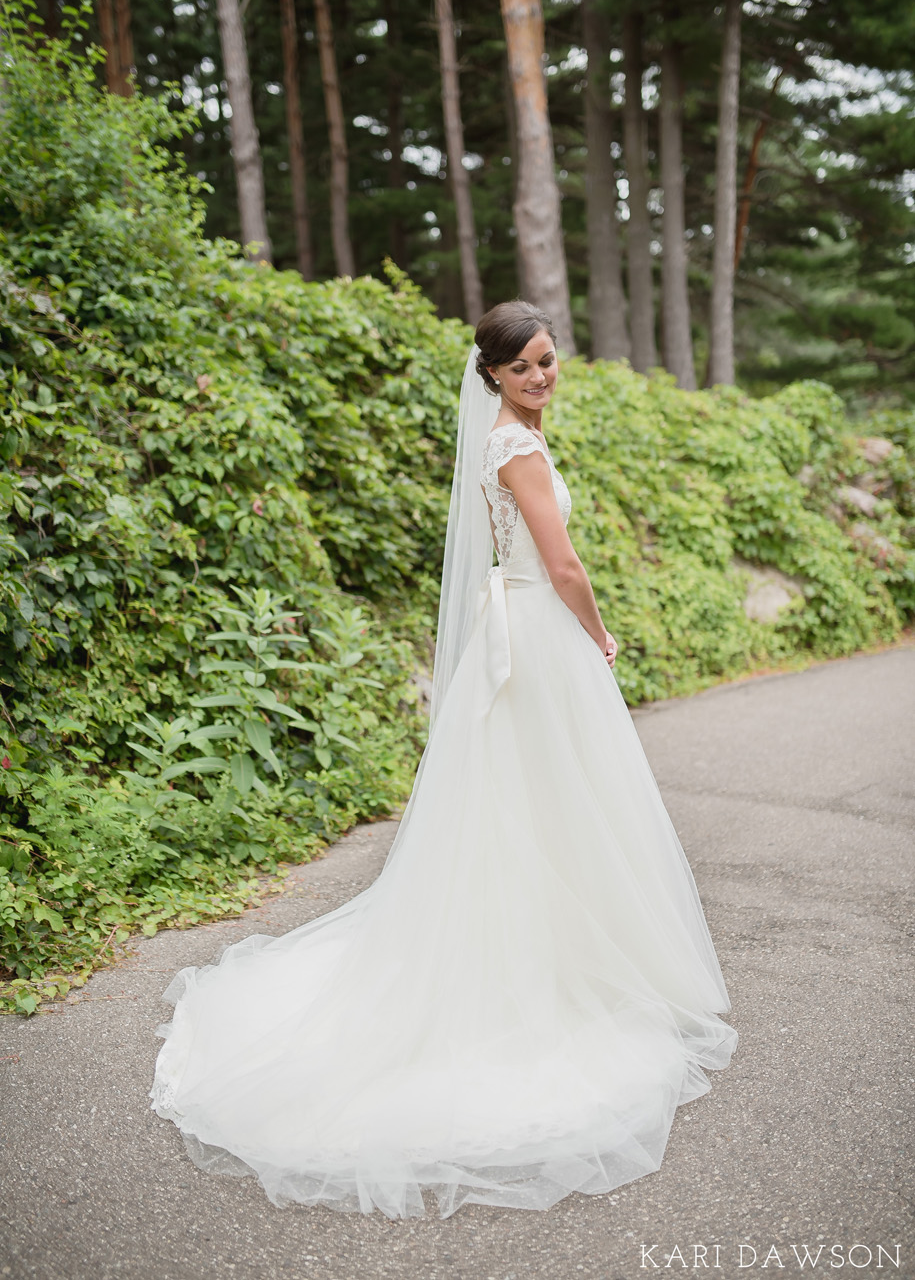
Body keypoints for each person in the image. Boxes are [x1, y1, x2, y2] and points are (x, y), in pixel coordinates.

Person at [151, 300, 737, 1220]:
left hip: (511, 633)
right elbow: (563, 564)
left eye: (550, 360)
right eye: (527, 367)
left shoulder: (498, 441)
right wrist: (600, 634)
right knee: (555, 800)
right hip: (540, 635)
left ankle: (552, 951)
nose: (544, 376)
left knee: (525, 804)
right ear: (494, 376)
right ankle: (536, 983)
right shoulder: (520, 450)